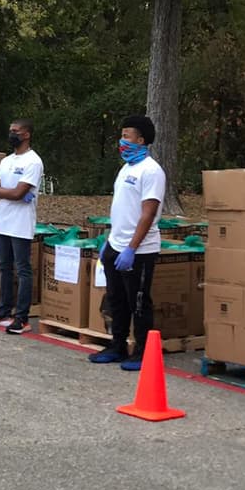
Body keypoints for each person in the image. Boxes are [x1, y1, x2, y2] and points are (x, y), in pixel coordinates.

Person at [88, 116, 165, 371]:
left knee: (139, 302)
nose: (122, 141)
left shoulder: (151, 171)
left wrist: (132, 247)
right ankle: (117, 345)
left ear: (141, 140)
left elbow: (148, 213)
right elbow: (122, 208)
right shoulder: (126, 168)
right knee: (116, 299)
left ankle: (142, 352)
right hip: (115, 244)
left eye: (127, 136)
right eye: (121, 136)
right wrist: (110, 242)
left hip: (139, 250)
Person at [0, 119, 44, 335]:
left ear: (26, 134)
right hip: (4, 221)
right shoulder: (6, 161)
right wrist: (3, 191)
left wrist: (0, 192)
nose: (12, 134)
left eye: (16, 131)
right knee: (4, 267)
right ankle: (3, 311)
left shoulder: (33, 162)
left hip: (21, 222)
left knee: (23, 269)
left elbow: (17, 193)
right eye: (10, 131)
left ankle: (22, 317)